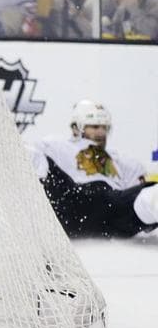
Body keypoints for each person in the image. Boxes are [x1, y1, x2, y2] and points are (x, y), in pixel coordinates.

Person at [31, 100, 158, 238]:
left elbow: (132, 199)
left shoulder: (122, 161)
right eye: (95, 126)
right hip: (70, 200)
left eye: (105, 127)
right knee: (35, 158)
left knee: (151, 196)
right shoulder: (57, 146)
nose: (101, 132)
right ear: (76, 127)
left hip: (109, 208)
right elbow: (34, 162)